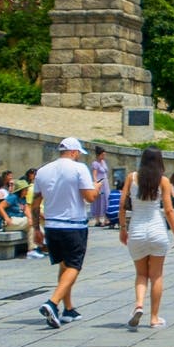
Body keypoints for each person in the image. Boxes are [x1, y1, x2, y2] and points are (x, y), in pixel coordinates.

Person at [31, 137, 99, 328]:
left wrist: (36, 228)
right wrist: (97, 187)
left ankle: (68, 308)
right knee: (74, 266)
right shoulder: (79, 169)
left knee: (64, 265)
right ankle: (52, 302)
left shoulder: (43, 171)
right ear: (74, 152)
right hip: (73, 224)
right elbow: (90, 197)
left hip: (52, 225)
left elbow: (35, 202)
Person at [116, 146, 174, 328]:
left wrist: (123, 228)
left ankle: (139, 304)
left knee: (140, 274)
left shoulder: (132, 178)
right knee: (157, 275)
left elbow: (122, 205)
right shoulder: (162, 181)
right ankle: (154, 318)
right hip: (157, 230)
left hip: (137, 229)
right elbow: (169, 210)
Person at [88, 147, 110, 228]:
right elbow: (94, 175)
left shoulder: (103, 162)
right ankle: (97, 219)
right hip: (100, 183)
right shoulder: (95, 163)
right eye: (102, 155)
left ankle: (106, 218)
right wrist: (96, 184)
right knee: (98, 201)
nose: (104, 156)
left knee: (106, 200)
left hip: (105, 183)